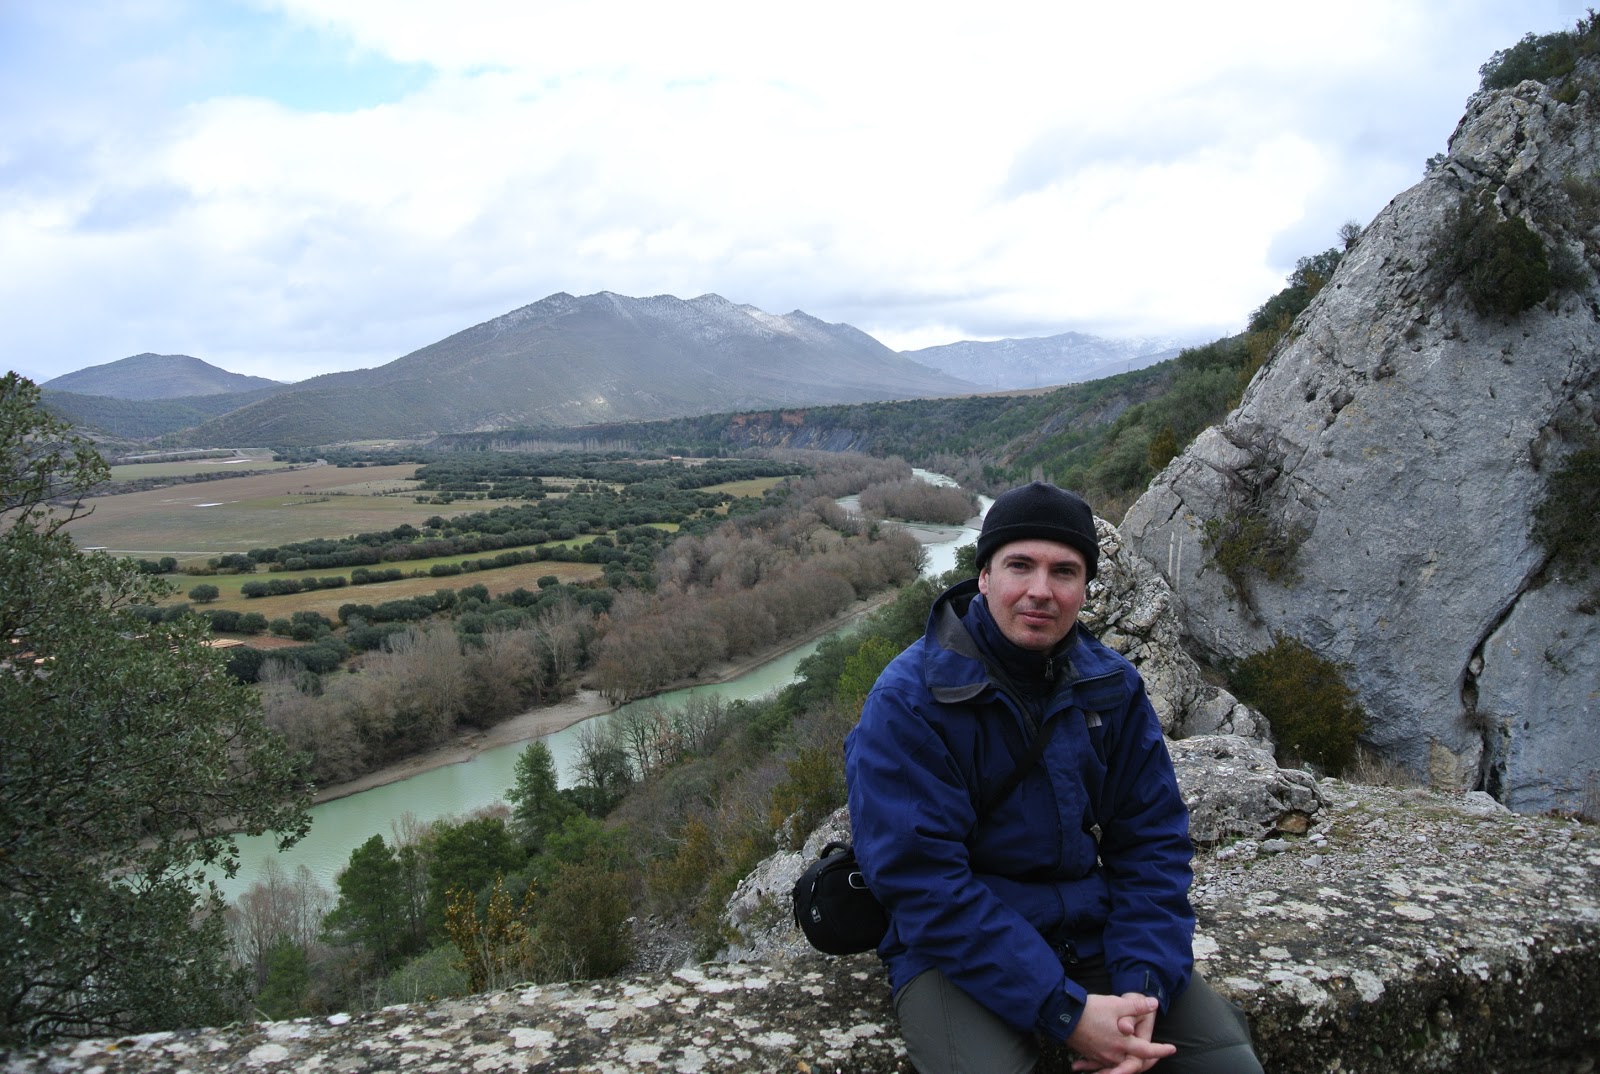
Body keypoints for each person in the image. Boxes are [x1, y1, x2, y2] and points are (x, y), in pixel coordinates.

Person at [844, 481, 1262, 1074]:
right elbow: (922, 885)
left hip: (1087, 930)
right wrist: (1065, 1013)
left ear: (1085, 587)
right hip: (957, 951)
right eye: (1020, 565)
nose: (1041, 590)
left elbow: (1151, 841)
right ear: (984, 575)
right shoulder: (910, 700)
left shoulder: (1112, 686)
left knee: (1226, 1066)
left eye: (1064, 571)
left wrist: (1143, 985)